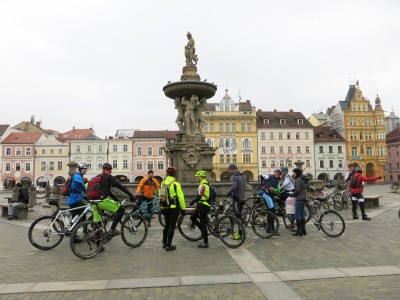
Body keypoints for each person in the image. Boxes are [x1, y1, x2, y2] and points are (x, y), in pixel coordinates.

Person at [91, 163, 135, 237]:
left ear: (103, 169)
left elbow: (107, 191)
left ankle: (98, 244)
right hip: (102, 201)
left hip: (94, 203)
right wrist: (131, 195)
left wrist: (116, 199)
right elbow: (120, 186)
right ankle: (112, 229)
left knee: (98, 226)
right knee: (121, 210)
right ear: (110, 170)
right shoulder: (108, 176)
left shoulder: (98, 177)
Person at [161, 166, 186, 251]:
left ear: (167, 174)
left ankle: (164, 243)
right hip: (173, 208)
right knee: (172, 226)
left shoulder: (163, 183)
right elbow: (181, 197)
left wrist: (161, 207)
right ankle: (169, 245)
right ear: (174, 174)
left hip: (164, 207)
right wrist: (183, 209)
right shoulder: (175, 184)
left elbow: (160, 195)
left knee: (166, 225)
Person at [189, 170, 211, 248]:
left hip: (204, 206)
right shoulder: (206, 183)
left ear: (201, 177)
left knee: (203, 224)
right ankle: (202, 231)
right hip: (201, 204)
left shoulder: (203, 185)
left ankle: (206, 242)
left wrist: (192, 201)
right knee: (193, 217)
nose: (197, 178)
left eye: (197, 177)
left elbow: (199, 196)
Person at [259, 168, 283, 235]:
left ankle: (269, 228)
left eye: (279, 173)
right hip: (266, 195)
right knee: (272, 212)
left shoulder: (278, 181)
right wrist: (262, 185)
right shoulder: (269, 176)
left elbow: (278, 191)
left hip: (271, 196)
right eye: (277, 173)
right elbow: (260, 177)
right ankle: (272, 229)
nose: (278, 174)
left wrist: (274, 189)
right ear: (274, 172)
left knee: (271, 212)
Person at [289, 168, 308, 236]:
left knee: (298, 214)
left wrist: (292, 194)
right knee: (301, 214)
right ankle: (303, 230)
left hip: (299, 199)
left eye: (293, 172)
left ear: (296, 173)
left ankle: (299, 231)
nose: (293, 174)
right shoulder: (301, 179)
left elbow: (297, 190)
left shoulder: (298, 180)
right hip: (303, 198)